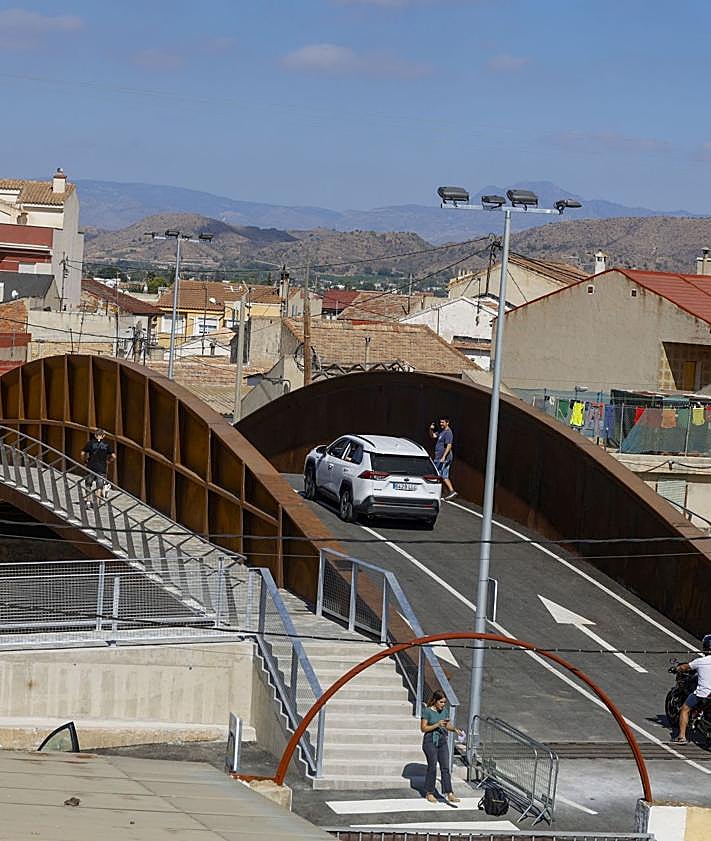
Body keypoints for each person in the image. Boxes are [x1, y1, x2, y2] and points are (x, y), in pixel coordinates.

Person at [420, 689, 463, 803]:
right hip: (430, 740)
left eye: (444, 702)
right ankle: (429, 792)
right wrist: (436, 724)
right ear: (435, 701)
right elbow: (423, 728)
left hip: (442, 740)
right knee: (432, 766)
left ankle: (449, 793)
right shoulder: (427, 711)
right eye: (441, 702)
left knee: (445, 767)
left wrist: (454, 729)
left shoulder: (444, 711)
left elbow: (447, 725)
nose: (443, 705)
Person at [673, 634, 711, 744]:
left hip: (703, 694)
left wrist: (676, 668)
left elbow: (685, 667)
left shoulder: (700, 661)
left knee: (685, 709)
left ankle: (681, 737)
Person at [81, 428, 116, 504]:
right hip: (102, 467)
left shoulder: (90, 443)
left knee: (88, 483)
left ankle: (88, 500)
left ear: (95, 435)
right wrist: (108, 461)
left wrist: (85, 460)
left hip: (91, 466)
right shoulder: (107, 445)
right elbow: (113, 456)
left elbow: (82, 454)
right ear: (103, 436)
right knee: (99, 486)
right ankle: (97, 502)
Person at [429, 417, 457, 500]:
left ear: (447, 423)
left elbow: (449, 445)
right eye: (440, 422)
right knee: (443, 475)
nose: (441, 424)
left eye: (443, 422)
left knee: (437, 474)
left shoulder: (448, 432)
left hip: (443, 458)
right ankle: (451, 491)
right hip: (439, 456)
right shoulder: (441, 431)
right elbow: (433, 436)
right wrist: (430, 429)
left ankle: (434, 492)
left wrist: (443, 457)